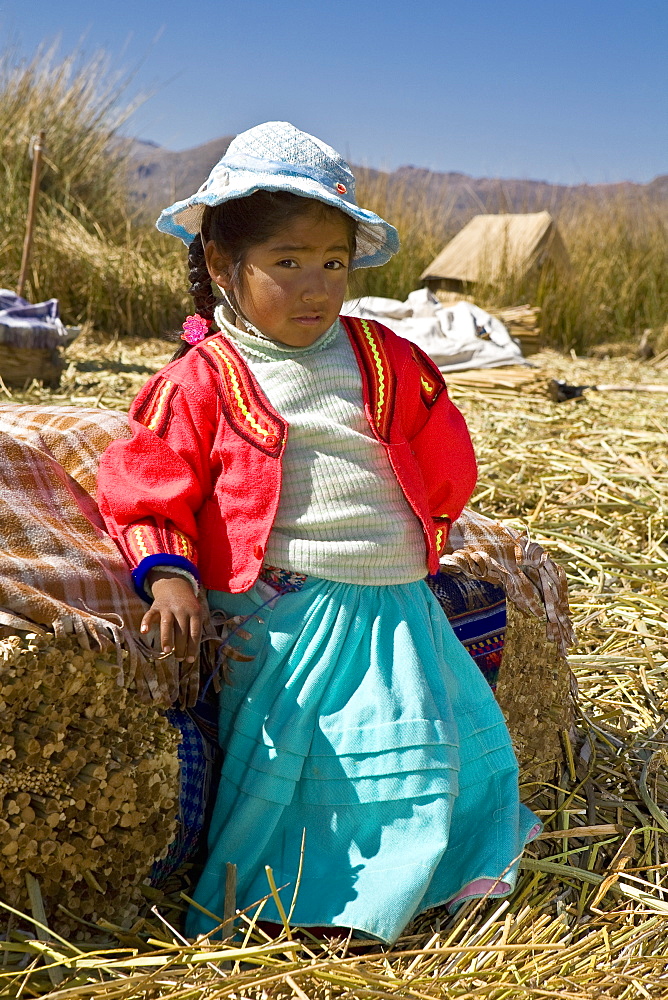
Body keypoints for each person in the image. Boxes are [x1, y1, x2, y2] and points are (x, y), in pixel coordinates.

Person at [98, 121, 539, 944]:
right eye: (288, 262)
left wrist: (425, 535)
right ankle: (305, 907)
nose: (315, 287)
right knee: (321, 764)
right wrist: (173, 576)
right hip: (288, 604)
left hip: (396, 592)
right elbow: (148, 483)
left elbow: (443, 451)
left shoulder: (383, 356)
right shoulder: (201, 379)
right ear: (225, 269)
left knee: (428, 749)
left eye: (333, 263)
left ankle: (434, 884)